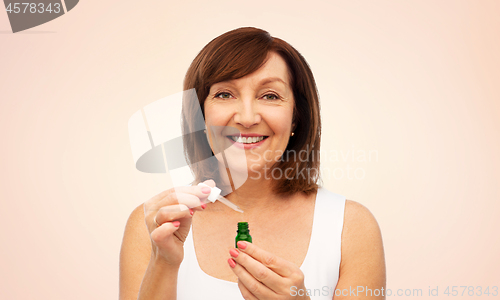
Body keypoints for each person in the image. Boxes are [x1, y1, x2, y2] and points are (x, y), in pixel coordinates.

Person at [120, 27, 386, 300]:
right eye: (225, 94)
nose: (247, 118)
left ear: (296, 117)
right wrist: (163, 262)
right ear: (200, 116)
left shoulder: (350, 227)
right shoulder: (153, 226)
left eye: (270, 95)